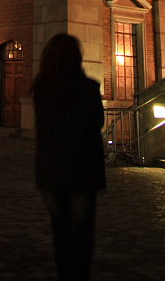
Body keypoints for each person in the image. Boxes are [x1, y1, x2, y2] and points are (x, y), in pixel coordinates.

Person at [32, 33, 105, 281]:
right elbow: (97, 123)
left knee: (60, 230)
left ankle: (65, 274)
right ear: (78, 58)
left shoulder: (40, 88)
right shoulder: (89, 88)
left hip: (51, 170)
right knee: (83, 231)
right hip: (82, 169)